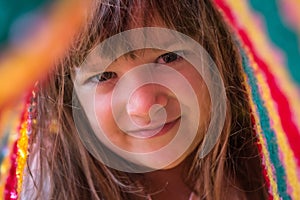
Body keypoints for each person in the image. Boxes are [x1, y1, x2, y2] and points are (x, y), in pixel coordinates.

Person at [21, 0, 268, 199]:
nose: (146, 106)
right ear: (68, 99)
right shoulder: (48, 189)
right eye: (105, 75)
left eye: (169, 58)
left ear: (218, 50)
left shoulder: (270, 164)